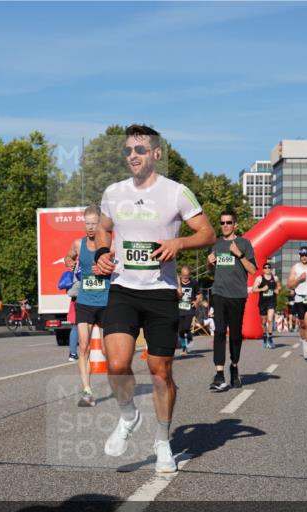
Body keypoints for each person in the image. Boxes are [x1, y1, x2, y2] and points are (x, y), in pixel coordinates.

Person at [94, 125, 215, 473]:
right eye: (129, 150)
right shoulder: (114, 193)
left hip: (162, 292)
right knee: (116, 364)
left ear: (156, 154)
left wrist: (179, 243)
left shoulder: (177, 193)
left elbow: (206, 233)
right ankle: (128, 415)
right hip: (123, 289)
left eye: (141, 150)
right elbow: (103, 228)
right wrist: (103, 251)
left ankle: (163, 440)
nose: (133, 155)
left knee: (160, 373)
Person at [64, 205, 110, 405]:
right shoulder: (78, 244)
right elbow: (68, 256)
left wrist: (108, 268)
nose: (90, 227)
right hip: (84, 301)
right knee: (83, 346)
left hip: (107, 300)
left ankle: (119, 385)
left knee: (111, 351)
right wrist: (69, 262)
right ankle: (87, 391)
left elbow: (120, 266)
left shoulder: (110, 242)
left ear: (100, 223)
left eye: (94, 223)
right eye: (87, 223)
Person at [206, 210, 256, 391]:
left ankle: (234, 367)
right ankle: (219, 374)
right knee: (219, 332)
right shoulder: (216, 244)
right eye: (222, 223)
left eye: (229, 222)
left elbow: (252, 270)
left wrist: (239, 255)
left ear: (235, 225)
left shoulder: (244, 243)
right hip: (218, 293)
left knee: (235, 335)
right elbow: (211, 270)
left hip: (237, 295)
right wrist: (209, 263)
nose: (225, 225)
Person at [253, 262, 279, 348]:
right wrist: (262, 289)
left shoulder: (275, 278)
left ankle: (270, 338)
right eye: (265, 267)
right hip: (262, 302)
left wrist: (277, 290)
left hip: (272, 301)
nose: (267, 269)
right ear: (263, 269)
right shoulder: (259, 278)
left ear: (271, 269)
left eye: (269, 267)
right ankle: (264, 337)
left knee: (270, 320)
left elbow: (279, 287)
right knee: (263, 322)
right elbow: (254, 289)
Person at [177, 266, 198, 354]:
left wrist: (197, 301)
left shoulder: (194, 283)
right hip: (179, 309)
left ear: (189, 275)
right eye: (183, 275)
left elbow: (199, 294)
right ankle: (184, 346)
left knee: (186, 327)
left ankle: (188, 345)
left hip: (189, 309)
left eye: (186, 276)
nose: (184, 278)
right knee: (180, 330)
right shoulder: (177, 283)